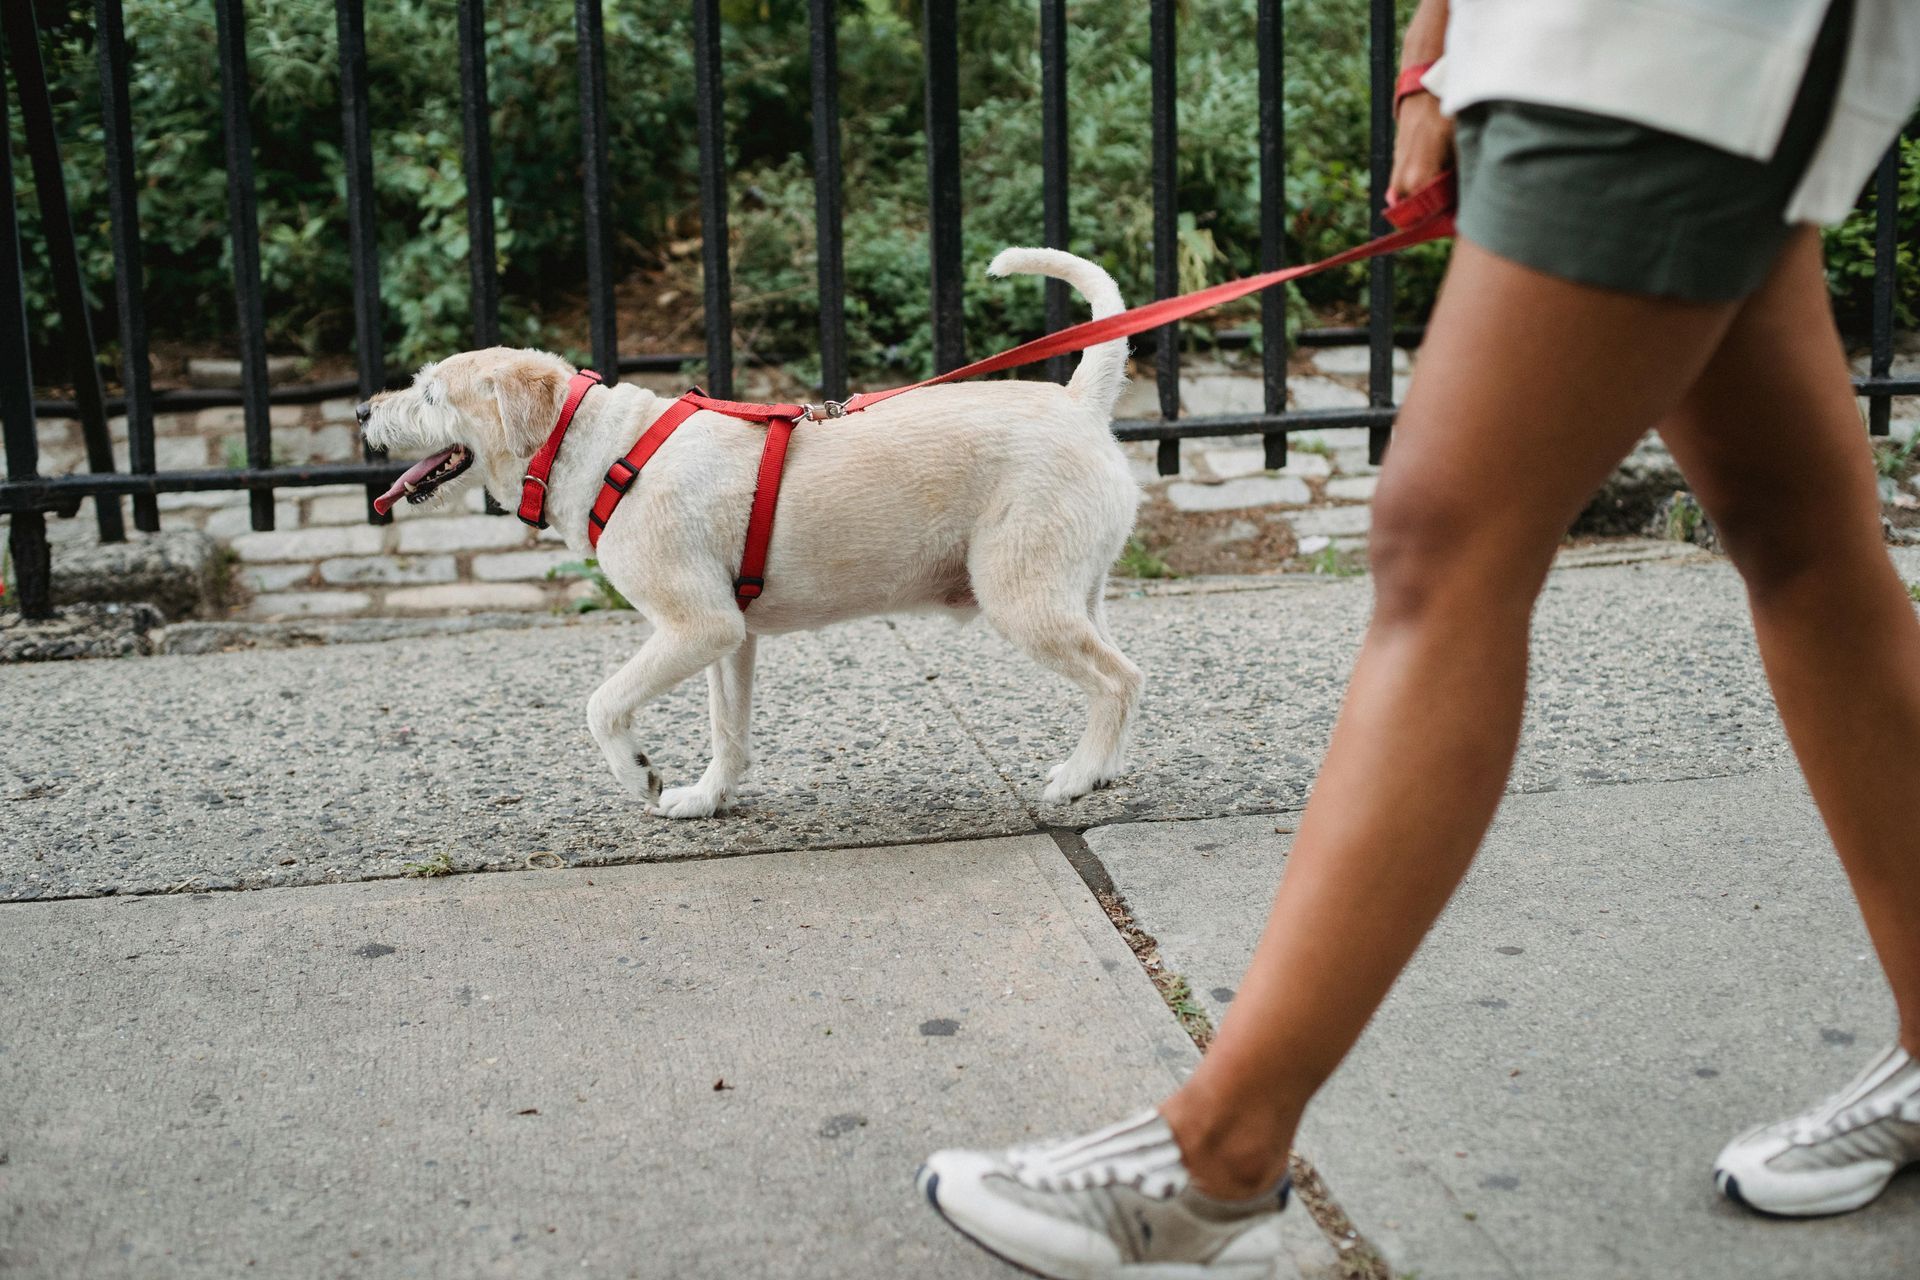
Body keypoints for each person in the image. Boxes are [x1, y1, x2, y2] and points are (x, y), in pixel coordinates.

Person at [917, 0, 1920, 1274]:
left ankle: (1218, 1149)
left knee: (1444, 547)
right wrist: (1434, 55)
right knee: (1802, 543)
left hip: (1664, 43)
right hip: (1592, 43)